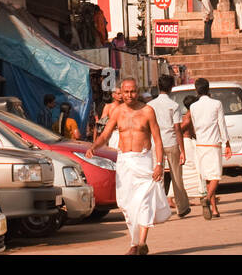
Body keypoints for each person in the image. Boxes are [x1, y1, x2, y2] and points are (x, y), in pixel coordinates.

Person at [86, 78, 170, 254]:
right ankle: (134, 243)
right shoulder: (117, 112)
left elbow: (158, 140)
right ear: (121, 93)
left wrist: (159, 164)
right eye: (126, 92)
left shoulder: (148, 111)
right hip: (125, 162)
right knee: (126, 204)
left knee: (144, 201)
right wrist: (93, 146)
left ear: (137, 92)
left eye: (132, 92)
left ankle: (141, 243)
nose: (129, 95)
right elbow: (106, 134)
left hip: (144, 161)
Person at [187, 77, 232, 219]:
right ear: (208, 89)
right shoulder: (216, 104)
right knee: (216, 176)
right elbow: (221, 125)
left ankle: (214, 209)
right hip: (213, 144)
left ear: (196, 90)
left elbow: (193, 125)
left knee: (207, 177)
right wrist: (227, 143)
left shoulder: (193, 107)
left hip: (200, 144)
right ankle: (207, 199)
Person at [147, 76, 190, 218]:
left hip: (155, 143)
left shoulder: (150, 105)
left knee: (157, 176)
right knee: (176, 176)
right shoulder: (174, 105)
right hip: (171, 142)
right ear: (171, 87)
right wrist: (182, 150)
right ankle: (182, 207)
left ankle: (157, 208)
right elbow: (177, 128)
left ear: (159, 87)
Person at [177, 95, 205, 208]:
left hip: (190, 143)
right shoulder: (188, 117)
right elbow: (179, 130)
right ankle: (202, 194)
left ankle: (199, 194)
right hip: (186, 143)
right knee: (194, 169)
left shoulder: (191, 116)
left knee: (192, 169)